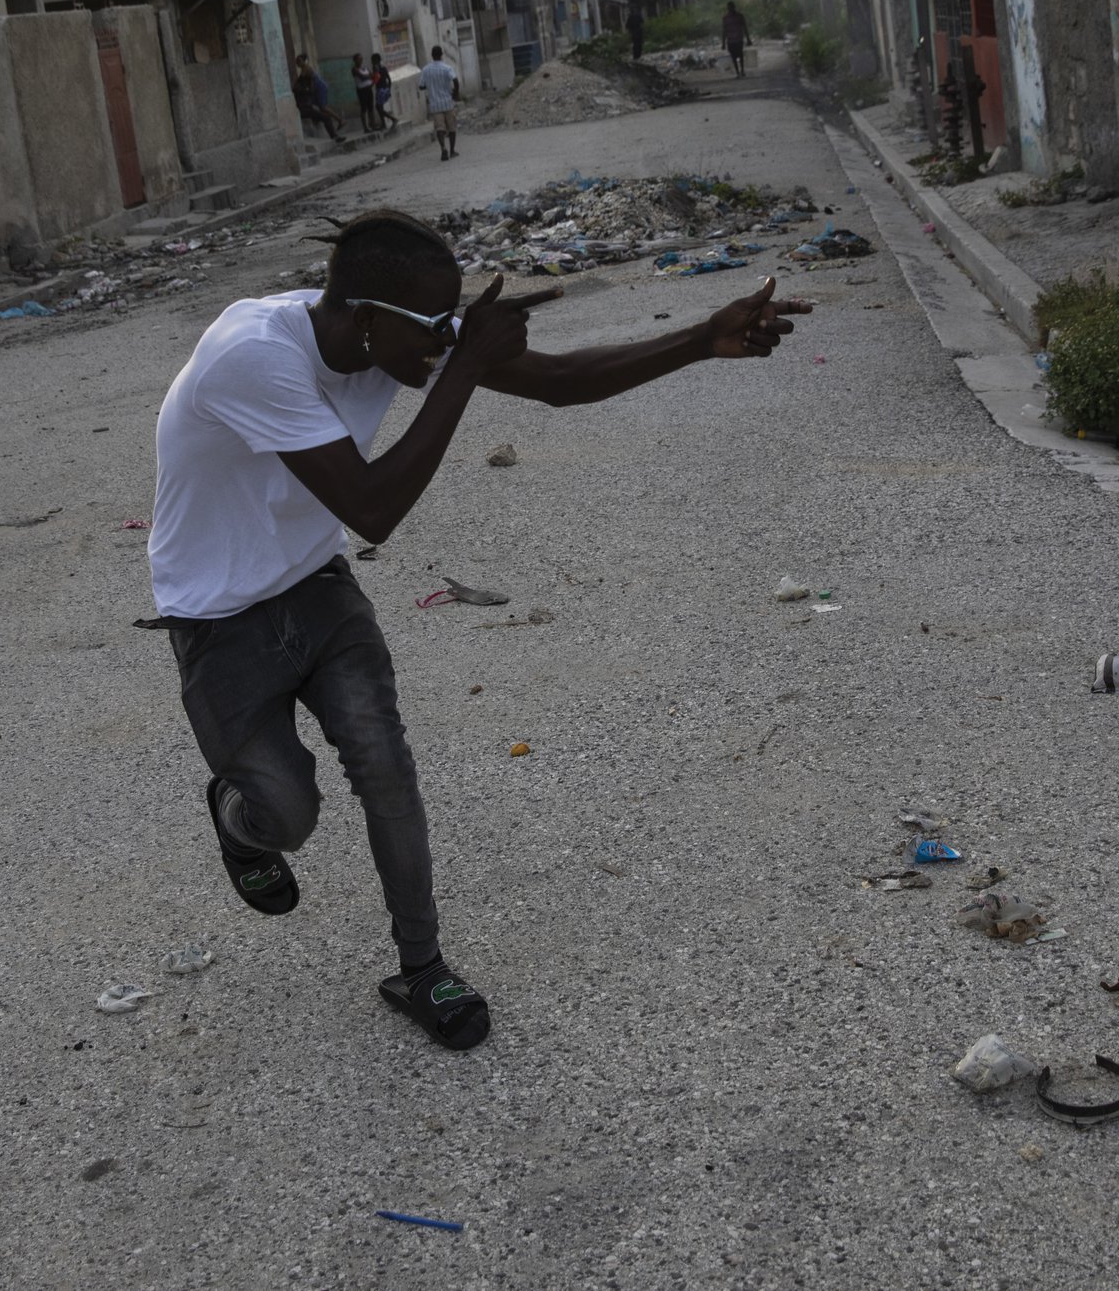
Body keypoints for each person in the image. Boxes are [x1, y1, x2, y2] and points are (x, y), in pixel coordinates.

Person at [144, 210, 813, 1050]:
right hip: (217, 615)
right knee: (288, 814)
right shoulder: (255, 357)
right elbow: (375, 507)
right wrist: (460, 363)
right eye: (431, 326)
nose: (443, 336)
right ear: (361, 317)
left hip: (316, 585)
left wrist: (701, 339)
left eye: (448, 321)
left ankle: (421, 967)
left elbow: (559, 382)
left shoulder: (398, 330)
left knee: (385, 766)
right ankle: (241, 822)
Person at [419, 44, 460, 161]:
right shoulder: (447, 68)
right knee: (452, 128)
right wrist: (455, 94)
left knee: (439, 128)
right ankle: (452, 151)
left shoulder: (426, 70)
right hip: (447, 102)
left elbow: (421, 86)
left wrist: (430, 85)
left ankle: (443, 149)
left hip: (435, 104)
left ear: (432, 55)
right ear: (441, 55)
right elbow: (456, 81)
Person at [293, 54, 346, 143]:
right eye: (297, 61)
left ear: (304, 60)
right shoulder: (302, 85)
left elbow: (308, 85)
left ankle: (339, 120)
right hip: (306, 107)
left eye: (299, 60)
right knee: (322, 112)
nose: (297, 63)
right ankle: (335, 132)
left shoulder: (306, 72)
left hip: (319, 89)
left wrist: (307, 89)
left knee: (323, 107)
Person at [349, 52, 380, 133]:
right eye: (359, 59)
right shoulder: (354, 69)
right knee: (364, 108)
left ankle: (372, 125)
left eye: (361, 59)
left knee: (371, 107)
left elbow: (373, 76)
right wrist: (370, 76)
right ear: (355, 60)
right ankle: (365, 127)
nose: (360, 60)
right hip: (361, 91)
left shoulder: (365, 68)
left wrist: (371, 77)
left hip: (368, 89)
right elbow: (362, 77)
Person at [369, 52, 398, 131]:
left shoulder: (375, 68)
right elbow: (389, 80)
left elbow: (376, 78)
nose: (371, 62)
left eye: (372, 60)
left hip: (380, 90)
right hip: (385, 89)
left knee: (378, 107)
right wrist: (388, 90)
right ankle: (383, 124)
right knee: (380, 107)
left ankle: (393, 119)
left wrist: (371, 84)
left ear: (376, 60)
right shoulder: (384, 68)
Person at [722, 0, 751, 77]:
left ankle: (741, 70)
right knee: (734, 57)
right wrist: (723, 43)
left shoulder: (739, 16)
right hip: (731, 41)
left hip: (738, 40)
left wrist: (748, 39)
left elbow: (745, 28)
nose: (731, 9)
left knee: (740, 55)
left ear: (734, 7)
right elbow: (724, 30)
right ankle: (738, 72)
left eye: (731, 8)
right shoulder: (726, 18)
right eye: (729, 8)